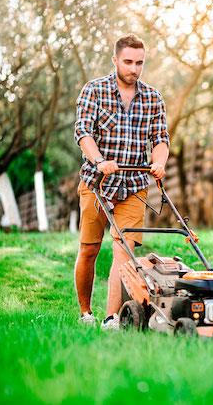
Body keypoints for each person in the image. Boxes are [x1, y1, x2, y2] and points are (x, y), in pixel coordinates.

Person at [73, 34, 169, 329]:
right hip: (97, 182)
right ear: (115, 60)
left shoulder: (153, 97)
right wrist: (100, 160)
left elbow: (160, 138)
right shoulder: (95, 91)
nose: (134, 68)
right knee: (89, 249)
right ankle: (86, 312)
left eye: (139, 63)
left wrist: (159, 162)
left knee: (124, 253)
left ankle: (111, 318)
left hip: (133, 185)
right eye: (128, 61)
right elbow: (83, 132)